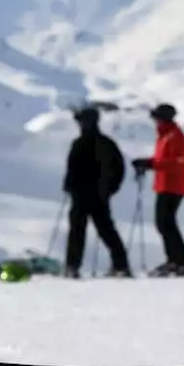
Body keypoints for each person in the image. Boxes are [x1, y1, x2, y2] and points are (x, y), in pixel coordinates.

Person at [61, 106, 130, 278]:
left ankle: (72, 267)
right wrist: (111, 189)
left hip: (84, 196)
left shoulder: (80, 144)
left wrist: (69, 185)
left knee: (79, 232)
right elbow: (119, 169)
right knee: (106, 231)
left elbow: (72, 169)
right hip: (97, 196)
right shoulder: (106, 143)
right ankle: (120, 265)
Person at [132, 103, 184, 276]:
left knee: (166, 223)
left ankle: (181, 262)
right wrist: (147, 163)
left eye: (156, 117)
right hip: (166, 184)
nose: (155, 121)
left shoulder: (175, 136)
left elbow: (176, 162)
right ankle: (175, 261)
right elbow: (163, 159)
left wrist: (150, 164)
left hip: (173, 185)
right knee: (164, 223)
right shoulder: (166, 136)